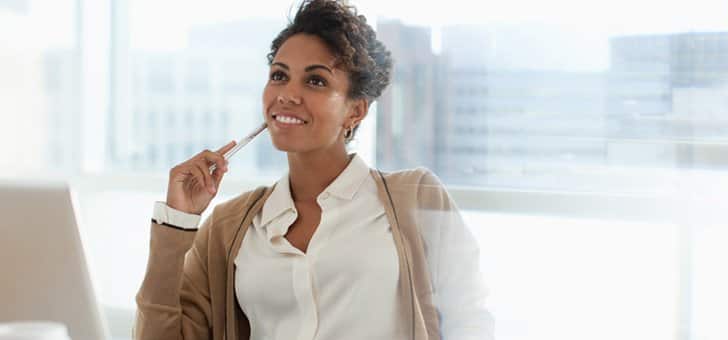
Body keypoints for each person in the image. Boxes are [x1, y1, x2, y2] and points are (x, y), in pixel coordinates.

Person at [133, 1, 494, 339]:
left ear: (356, 111)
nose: (287, 94)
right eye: (279, 76)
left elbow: (470, 322)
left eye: (315, 81)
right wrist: (177, 220)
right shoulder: (229, 228)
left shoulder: (416, 197)